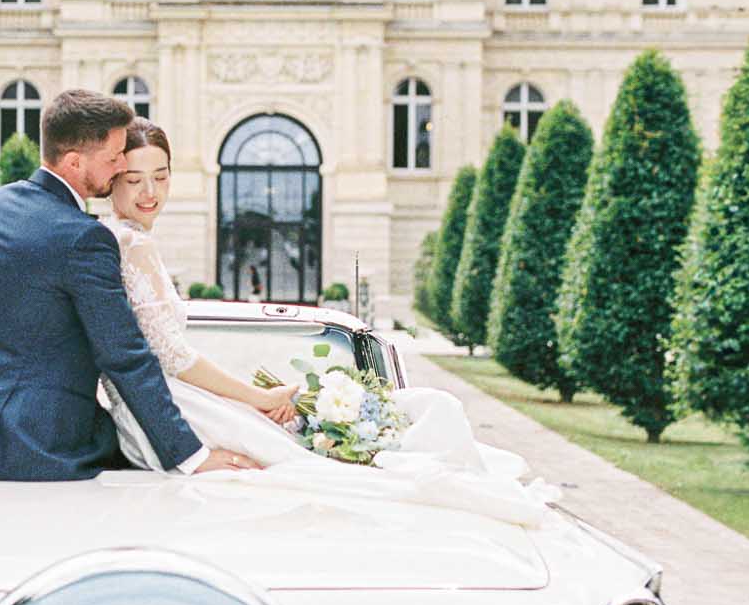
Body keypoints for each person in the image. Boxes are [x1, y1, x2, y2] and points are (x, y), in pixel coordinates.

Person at [102, 118, 556, 527]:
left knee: (316, 460)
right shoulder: (134, 245)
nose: (150, 193)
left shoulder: (125, 241)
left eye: (160, 177)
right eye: (134, 179)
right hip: (179, 408)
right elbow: (175, 356)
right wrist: (260, 398)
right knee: (335, 462)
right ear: (111, 182)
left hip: (174, 402)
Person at [0, 90, 258, 482]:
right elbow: (124, 355)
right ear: (73, 162)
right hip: (35, 444)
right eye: (114, 158)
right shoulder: (84, 239)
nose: (120, 166)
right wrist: (190, 455)